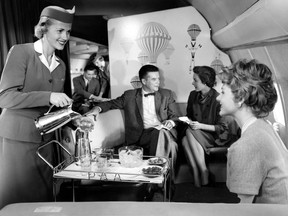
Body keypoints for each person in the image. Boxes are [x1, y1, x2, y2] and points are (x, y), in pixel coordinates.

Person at [0, 5, 74, 208]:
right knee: (18, 200)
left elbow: (55, 108)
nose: (65, 36)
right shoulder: (21, 52)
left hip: (46, 140)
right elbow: (5, 97)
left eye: (68, 31)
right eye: (59, 31)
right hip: (18, 139)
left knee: (43, 198)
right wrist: (48, 96)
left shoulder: (61, 64)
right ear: (43, 28)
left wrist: (74, 120)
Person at [217, 59, 288, 204]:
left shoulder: (246, 145)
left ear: (240, 98)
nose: (218, 98)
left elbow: (244, 208)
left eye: (223, 92)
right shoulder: (263, 126)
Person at [86, 64, 179, 168]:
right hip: (141, 136)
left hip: (163, 133)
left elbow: (175, 116)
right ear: (144, 81)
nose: (158, 82)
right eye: (154, 79)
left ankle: (156, 172)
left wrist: (170, 122)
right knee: (163, 138)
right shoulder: (129, 95)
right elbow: (111, 103)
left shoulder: (167, 94)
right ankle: (161, 175)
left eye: (158, 78)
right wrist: (97, 109)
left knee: (160, 133)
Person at [180, 66, 236, 187]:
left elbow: (221, 128)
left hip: (214, 136)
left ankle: (202, 171)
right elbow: (189, 116)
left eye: (195, 80)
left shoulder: (217, 98)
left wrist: (199, 125)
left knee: (189, 133)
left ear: (205, 82)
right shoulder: (193, 95)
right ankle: (196, 172)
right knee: (185, 139)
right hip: (195, 133)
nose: (192, 83)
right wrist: (187, 120)